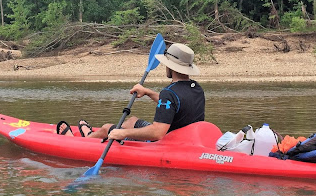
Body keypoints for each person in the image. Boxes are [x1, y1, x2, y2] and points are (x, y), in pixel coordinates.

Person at [57, 43, 205, 142]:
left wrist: (123, 133)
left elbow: (158, 132)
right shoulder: (196, 88)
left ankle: (84, 140)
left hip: (166, 143)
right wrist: (147, 92)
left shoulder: (169, 93)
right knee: (132, 120)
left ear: (170, 66)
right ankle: (92, 136)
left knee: (107, 128)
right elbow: (175, 104)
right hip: (187, 139)